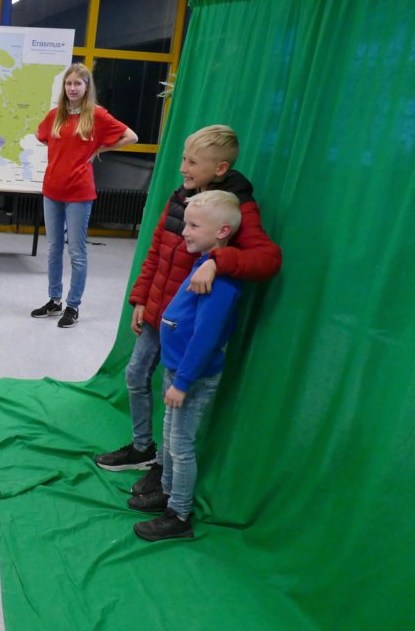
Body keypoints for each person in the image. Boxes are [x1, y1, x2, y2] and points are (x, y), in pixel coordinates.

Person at [95, 126, 282, 497]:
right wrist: (141, 297)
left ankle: (163, 470)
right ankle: (142, 448)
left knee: (174, 404)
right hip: (157, 311)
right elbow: (157, 249)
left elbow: (267, 259)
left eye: (192, 162)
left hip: (187, 322)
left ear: (219, 168)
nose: (183, 168)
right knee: (135, 375)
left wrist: (217, 261)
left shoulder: (237, 206)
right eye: (183, 159)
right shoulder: (180, 196)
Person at [131, 190, 243, 541]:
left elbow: (206, 338)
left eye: (194, 226)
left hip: (191, 377)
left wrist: (183, 382)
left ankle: (178, 515)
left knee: (180, 446)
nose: (185, 232)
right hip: (176, 369)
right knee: (168, 436)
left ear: (222, 231)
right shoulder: (201, 263)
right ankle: (166, 493)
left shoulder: (220, 281)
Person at [33, 63, 138, 328]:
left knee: (76, 252)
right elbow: (40, 135)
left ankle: (73, 306)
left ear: (86, 86)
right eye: (68, 83)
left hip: (79, 193)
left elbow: (131, 137)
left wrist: (99, 149)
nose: (72, 88)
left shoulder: (97, 115)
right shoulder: (56, 115)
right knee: (53, 248)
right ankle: (54, 300)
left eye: (77, 84)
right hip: (52, 190)